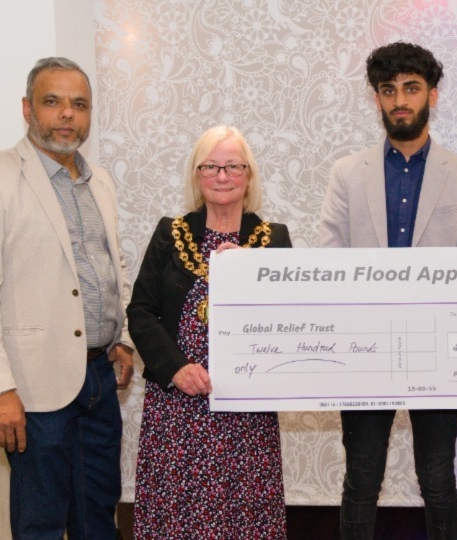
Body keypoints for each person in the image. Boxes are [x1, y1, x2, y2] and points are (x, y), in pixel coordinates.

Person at [0, 57, 135, 538]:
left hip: (99, 378)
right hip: (32, 387)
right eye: (53, 102)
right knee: (42, 524)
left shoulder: (101, 182)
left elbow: (112, 270)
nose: (67, 115)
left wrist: (124, 338)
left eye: (79, 104)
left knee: (99, 516)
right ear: (27, 108)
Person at [319, 42, 457, 539]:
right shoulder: (348, 173)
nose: (400, 100)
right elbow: (330, 260)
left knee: (437, 478)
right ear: (376, 99)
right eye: (388, 90)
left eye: (411, 88)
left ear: (432, 95)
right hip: (363, 349)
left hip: (436, 350)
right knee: (361, 479)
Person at [128, 125, 292, 538]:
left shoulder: (272, 239)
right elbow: (142, 313)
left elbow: (290, 317)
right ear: (197, 175)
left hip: (245, 410)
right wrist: (177, 369)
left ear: (248, 175)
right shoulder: (171, 233)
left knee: (243, 516)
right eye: (211, 166)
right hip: (177, 406)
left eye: (233, 166)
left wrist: (252, 273)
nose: (222, 176)